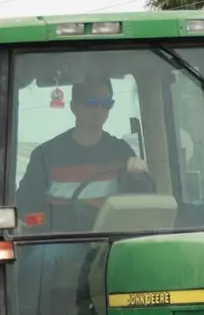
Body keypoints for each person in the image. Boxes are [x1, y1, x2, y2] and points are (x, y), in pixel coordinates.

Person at [15, 76, 154, 231]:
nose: (100, 109)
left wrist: (139, 174)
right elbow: (24, 207)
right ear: (74, 107)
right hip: (61, 240)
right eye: (92, 102)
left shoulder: (121, 152)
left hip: (109, 240)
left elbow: (140, 203)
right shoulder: (45, 155)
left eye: (106, 103)